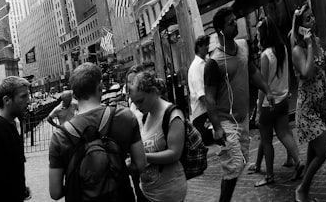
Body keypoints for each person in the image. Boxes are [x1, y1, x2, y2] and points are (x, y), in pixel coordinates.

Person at [49, 62, 147, 202]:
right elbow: (141, 165)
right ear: (100, 87)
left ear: (74, 95)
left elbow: (55, 192)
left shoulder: (59, 137)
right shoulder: (125, 117)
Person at [203, 6, 269, 202]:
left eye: (235, 20)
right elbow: (209, 97)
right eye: (230, 22)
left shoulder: (243, 47)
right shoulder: (214, 62)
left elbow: (254, 72)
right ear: (220, 30)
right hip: (226, 121)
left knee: (237, 165)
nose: (235, 24)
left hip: (242, 119)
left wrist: (268, 90)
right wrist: (216, 127)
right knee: (234, 165)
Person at [291, 5, 326, 202]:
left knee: (314, 152)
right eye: (307, 20)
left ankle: (304, 191)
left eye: (312, 17)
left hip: (320, 105)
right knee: (324, 150)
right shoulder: (297, 50)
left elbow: (323, 68)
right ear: (300, 27)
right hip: (307, 109)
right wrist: (309, 45)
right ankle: (301, 190)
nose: (312, 21)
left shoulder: (317, 42)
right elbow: (307, 72)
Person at [252, 19, 302, 186]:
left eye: (259, 33)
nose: (257, 36)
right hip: (283, 99)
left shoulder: (266, 55)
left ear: (264, 34)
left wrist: (258, 110)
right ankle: (298, 160)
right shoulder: (283, 49)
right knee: (284, 133)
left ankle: (270, 175)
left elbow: (262, 85)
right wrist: (287, 91)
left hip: (269, 104)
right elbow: (286, 73)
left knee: (266, 141)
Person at [127, 70, 187, 202]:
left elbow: (174, 153)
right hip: (149, 192)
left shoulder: (172, 114)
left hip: (169, 193)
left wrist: (141, 157)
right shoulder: (146, 116)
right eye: (134, 102)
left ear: (153, 92)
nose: (137, 107)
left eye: (140, 101)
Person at [186, 35, 211, 143]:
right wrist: (212, 110)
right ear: (199, 47)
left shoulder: (204, 63)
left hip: (206, 111)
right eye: (206, 45)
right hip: (202, 113)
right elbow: (201, 94)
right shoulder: (196, 66)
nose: (207, 47)